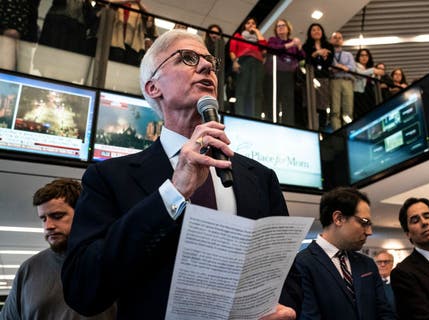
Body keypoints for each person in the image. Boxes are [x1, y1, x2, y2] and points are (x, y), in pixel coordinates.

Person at [61, 29, 296, 319]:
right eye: (188, 58)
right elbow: (83, 289)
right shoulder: (108, 178)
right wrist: (172, 194)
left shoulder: (259, 178)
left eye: (210, 61)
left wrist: (278, 308)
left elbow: (283, 273)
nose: (208, 66)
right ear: (152, 88)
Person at [0, 178, 116, 320]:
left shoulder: (111, 261)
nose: (48, 225)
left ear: (82, 214)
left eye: (57, 216)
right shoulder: (29, 269)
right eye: (43, 219)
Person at [293, 187, 394, 319]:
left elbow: (385, 312)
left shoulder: (367, 264)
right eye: (364, 223)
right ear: (339, 218)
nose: (369, 231)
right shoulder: (301, 264)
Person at [265, 19, 304, 126]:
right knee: (274, 101)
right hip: (275, 74)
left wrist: (299, 46)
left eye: (283, 25)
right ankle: (273, 124)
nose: (281, 27)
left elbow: (302, 57)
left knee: (288, 102)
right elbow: (273, 49)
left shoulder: (294, 42)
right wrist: (291, 44)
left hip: (289, 75)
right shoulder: (273, 40)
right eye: (278, 26)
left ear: (288, 28)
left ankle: (288, 125)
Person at [229, 17, 266, 118]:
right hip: (243, 62)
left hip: (257, 64)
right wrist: (235, 62)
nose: (250, 25)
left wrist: (257, 32)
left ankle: (256, 116)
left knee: (256, 90)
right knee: (242, 89)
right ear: (244, 25)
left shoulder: (258, 39)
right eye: (248, 23)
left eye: (253, 23)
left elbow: (264, 48)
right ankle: (240, 114)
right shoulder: (238, 36)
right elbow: (232, 51)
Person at [302, 23, 334, 130]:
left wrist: (324, 57)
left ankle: (322, 129)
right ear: (310, 33)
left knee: (323, 105)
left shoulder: (329, 46)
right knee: (310, 103)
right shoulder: (306, 47)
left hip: (323, 78)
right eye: (313, 30)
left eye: (318, 29)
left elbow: (328, 63)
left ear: (322, 32)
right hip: (310, 78)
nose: (316, 31)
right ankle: (309, 127)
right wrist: (317, 53)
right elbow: (306, 61)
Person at [328, 31, 355, 131]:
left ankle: (348, 131)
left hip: (347, 81)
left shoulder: (348, 54)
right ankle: (337, 131)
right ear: (331, 40)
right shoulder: (329, 54)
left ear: (342, 41)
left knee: (348, 109)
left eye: (340, 38)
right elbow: (330, 67)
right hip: (334, 81)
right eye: (335, 37)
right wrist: (343, 67)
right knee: (335, 109)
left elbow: (352, 68)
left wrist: (338, 67)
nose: (338, 39)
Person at [353, 48, 384, 119]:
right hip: (360, 93)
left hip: (370, 92)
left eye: (366, 55)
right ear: (358, 57)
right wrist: (374, 70)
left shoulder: (370, 68)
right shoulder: (355, 65)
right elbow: (360, 74)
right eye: (362, 55)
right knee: (361, 113)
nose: (364, 57)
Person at [204, 24, 225, 105]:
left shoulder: (222, 49)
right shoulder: (204, 46)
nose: (214, 35)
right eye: (212, 33)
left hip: (218, 77)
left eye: (216, 33)